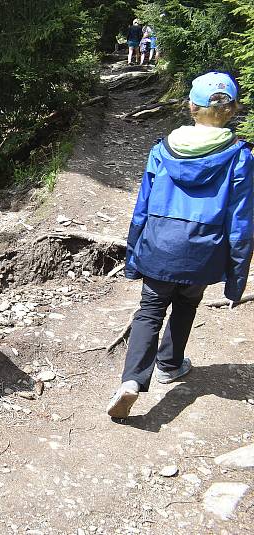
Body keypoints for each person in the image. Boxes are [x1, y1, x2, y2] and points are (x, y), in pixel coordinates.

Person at [107, 72, 254, 419]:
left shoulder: (162, 149)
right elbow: (241, 223)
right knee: (187, 303)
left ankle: (131, 381)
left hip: (160, 243)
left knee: (149, 310)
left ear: (191, 106)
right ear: (232, 110)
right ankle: (170, 364)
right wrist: (236, 281)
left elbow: (142, 207)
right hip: (204, 249)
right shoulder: (240, 156)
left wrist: (133, 256)